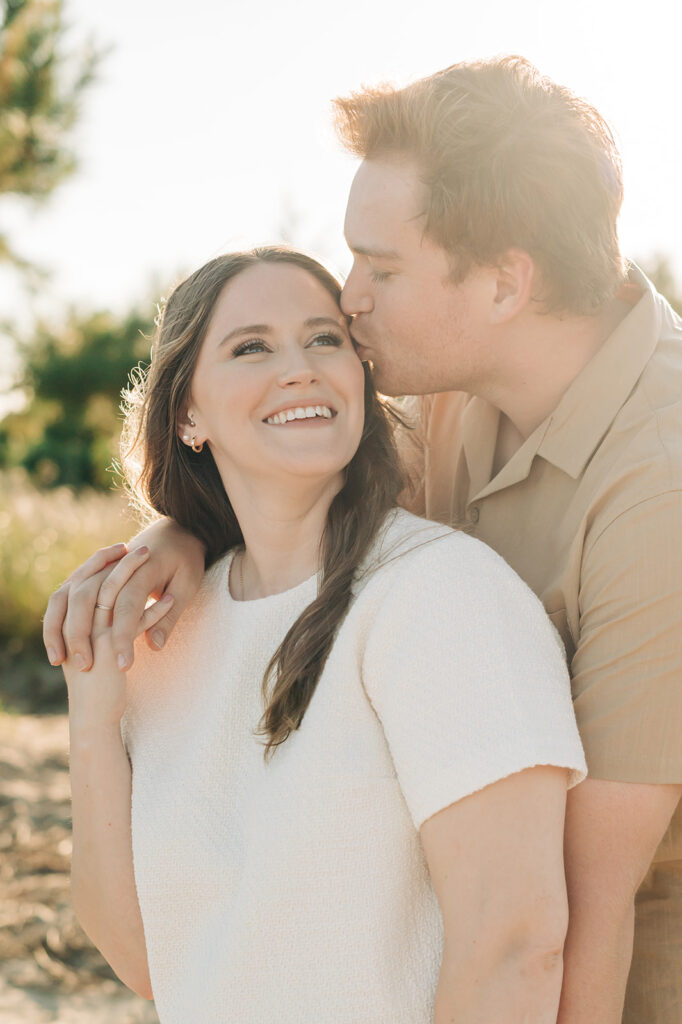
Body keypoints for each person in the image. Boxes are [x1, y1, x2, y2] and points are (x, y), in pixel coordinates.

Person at [46, 57, 682, 1022]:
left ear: (507, 282)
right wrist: (183, 531)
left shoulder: (661, 485)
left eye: (380, 268)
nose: (350, 300)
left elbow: (566, 915)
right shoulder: (464, 380)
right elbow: (294, 480)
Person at [60, 246, 585, 1024]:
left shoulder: (438, 595)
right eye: (251, 347)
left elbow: (515, 943)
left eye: (324, 338)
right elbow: (146, 959)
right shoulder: (169, 628)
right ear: (187, 414)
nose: (299, 367)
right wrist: (95, 717)